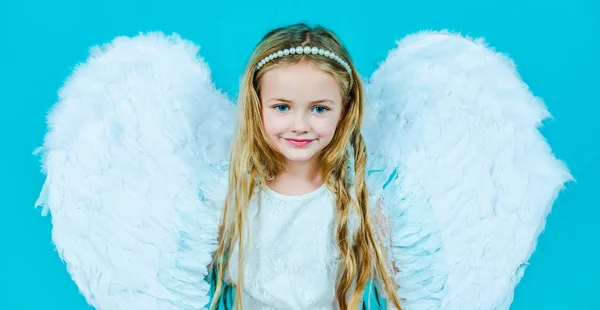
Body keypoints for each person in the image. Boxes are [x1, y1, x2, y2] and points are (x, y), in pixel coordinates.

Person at [207, 23, 403, 309]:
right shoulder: (229, 195)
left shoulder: (363, 199)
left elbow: (400, 292)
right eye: (282, 107)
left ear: (344, 110)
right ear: (257, 104)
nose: (300, 126)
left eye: (319, 109)